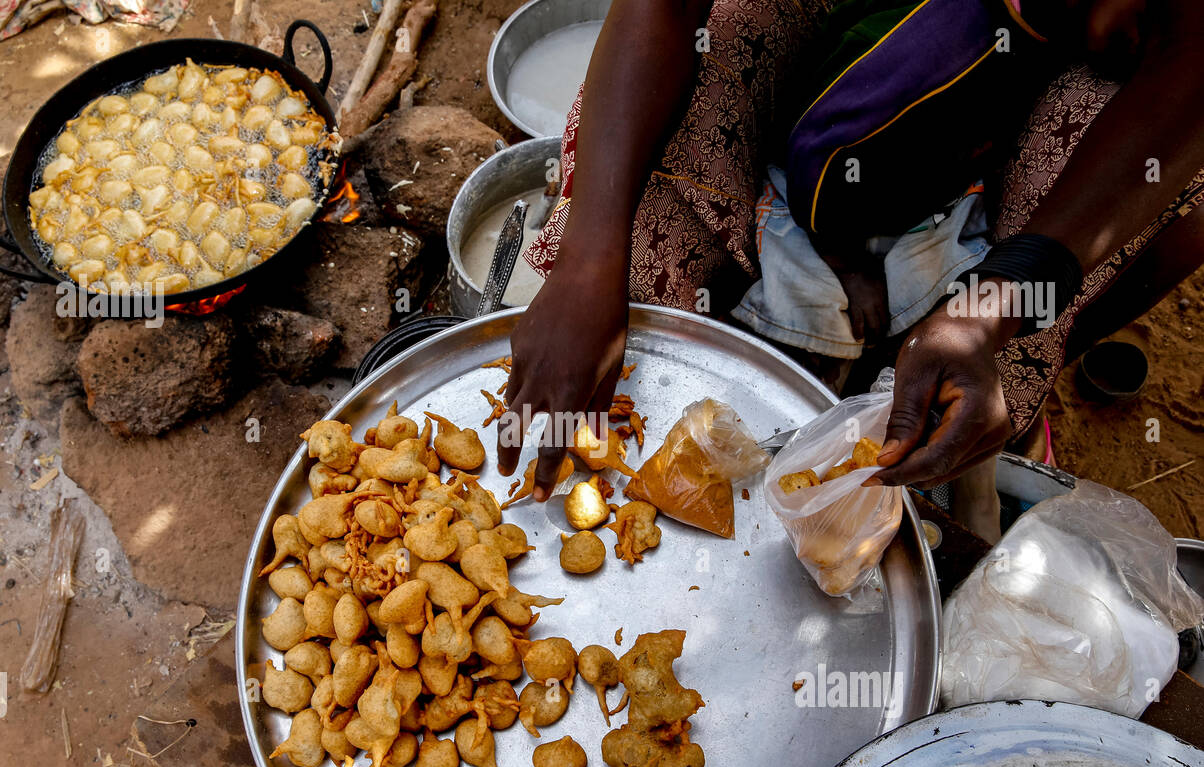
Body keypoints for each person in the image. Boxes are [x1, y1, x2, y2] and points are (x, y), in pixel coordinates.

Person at [495, 0, 1204, 537]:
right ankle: (703, 340)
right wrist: (589, 263)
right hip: (894, 46)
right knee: (691, 107)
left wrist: (998, 307)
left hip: (1072, 62)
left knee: (1171, 186)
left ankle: (995, 400)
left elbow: (1187, 71)